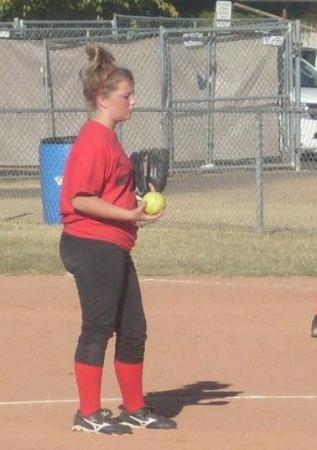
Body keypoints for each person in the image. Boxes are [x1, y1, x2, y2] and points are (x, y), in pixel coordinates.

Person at [59, 45, 177, 435]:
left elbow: (108, 194)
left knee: (133, 329)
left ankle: (135, 407)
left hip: (113, 244)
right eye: (126, 95)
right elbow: (79, 198)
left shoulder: (110, 139)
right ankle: (88, 414)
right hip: (91, 245)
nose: (133, 102)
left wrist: (136, 207)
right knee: (98, 327)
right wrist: (129, 214)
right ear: (101, 99)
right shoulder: (95, 139)